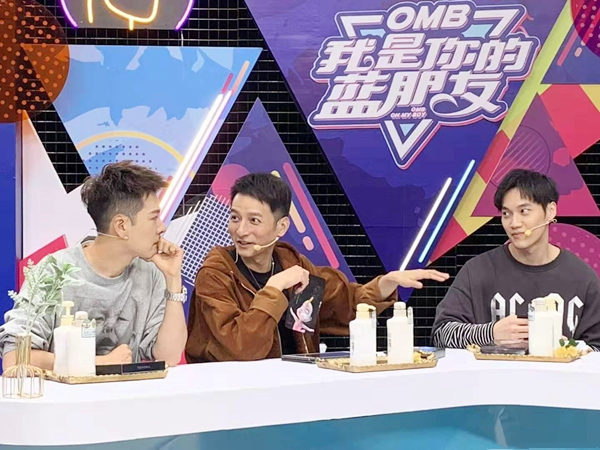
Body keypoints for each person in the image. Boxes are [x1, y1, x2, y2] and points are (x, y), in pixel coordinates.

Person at [185, 173, 449, 362]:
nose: (241, 230)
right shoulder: (216, 273)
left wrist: (386, 283)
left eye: (254, 221)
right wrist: (274, 288)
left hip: (294, 389)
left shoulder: (290, 262)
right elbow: (242, 347)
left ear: (281, 227)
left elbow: (344, 303)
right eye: (234, 218)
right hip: (234, 396)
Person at [0, 161, 188, 370]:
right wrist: (98, 363)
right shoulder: (54, 271)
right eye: (154, 218)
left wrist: (173, 279)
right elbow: (14, 358)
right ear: (121, 226)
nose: (162, 228)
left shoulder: (151, 272)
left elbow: (169, 356)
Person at [432, 169, 600, 351]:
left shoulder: (582, 278)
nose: (514, 223)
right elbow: (441, 335)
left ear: (550, 211)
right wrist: (490, 334)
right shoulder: (477, 270)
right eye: (506, 214)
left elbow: (596, 347)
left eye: (524, 211)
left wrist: (570, 349)